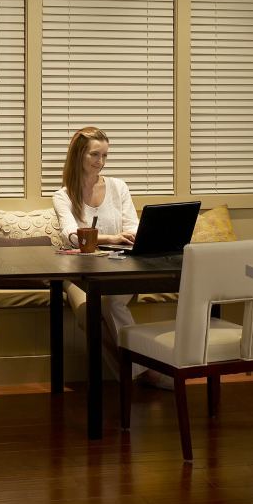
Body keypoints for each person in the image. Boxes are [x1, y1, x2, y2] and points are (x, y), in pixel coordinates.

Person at [51, 127, 171, 389]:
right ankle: (144, 371)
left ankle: (135, 375)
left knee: (107, 303)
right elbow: (71, 235)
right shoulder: (63, 196)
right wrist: (111, 238)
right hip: (78, 273)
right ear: (78, 155)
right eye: (95, 155)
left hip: (120, 267)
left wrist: (125, 237)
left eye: (105, 155)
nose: (101, 162)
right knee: (93, 311)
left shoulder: (118, 187)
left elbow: (134, 226)